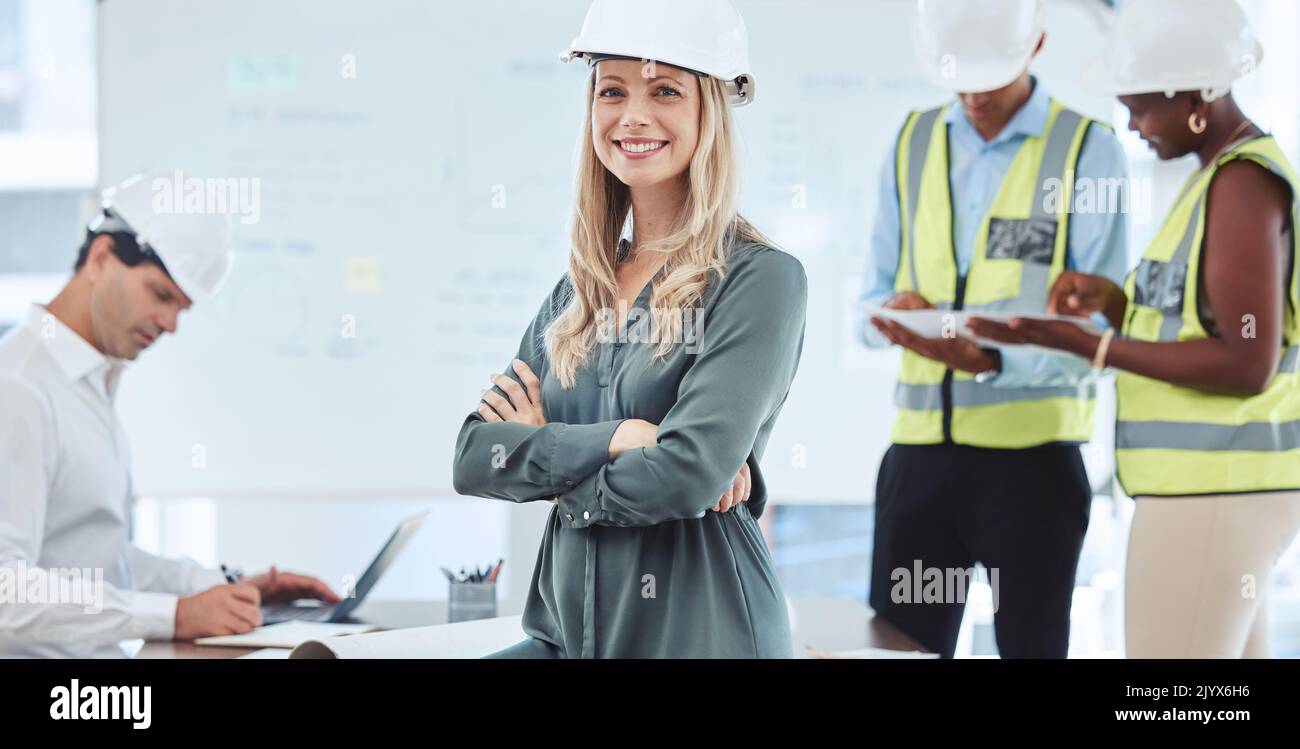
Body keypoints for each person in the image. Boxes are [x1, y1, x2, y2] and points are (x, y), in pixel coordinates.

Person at [451, 0, 806, 658]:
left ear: (708, 109)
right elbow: (475, 456)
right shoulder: (578, 291)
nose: (632, 115)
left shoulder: (760, 281)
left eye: (665, 90)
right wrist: (618, 437)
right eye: (612, 90)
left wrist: (553, 463)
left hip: (703, 636)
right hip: (567, 635)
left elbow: (686, 473)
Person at [968, 0, 1300, 658]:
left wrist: (1091, 345)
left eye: (1141, 107)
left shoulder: (1239, 186)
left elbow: (1247, 361)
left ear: (1193, 97)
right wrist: (1116, 305)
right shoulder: (1218, 179)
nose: (1132, 124)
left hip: (1213, 487)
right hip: (1218, 489)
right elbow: (1199, 324)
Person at [860, 0, 1129, 658]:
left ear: (1036, 43)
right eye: (960, 75)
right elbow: (866, 304)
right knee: (900, 653)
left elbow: (1102, 330)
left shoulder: (1088, 150)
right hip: (919, 466)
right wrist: (893, 316)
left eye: (992, 75)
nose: (974, 94)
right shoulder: (913, 139)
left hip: (1034, 472)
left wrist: (988, 360)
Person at [0, 174, 339, 658]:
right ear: (101, 259)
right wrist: (174, 616)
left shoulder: (87, 383)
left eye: (182, 308)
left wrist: (226, 587)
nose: (171, 324)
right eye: (162, 295)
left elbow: (95, 559)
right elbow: (6, 592)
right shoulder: (19, 389)